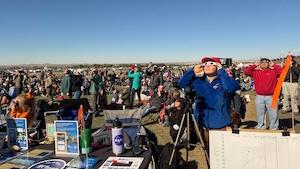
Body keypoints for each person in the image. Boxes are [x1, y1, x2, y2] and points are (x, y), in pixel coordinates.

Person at [179, 56, 240, 129]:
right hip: (201, 122)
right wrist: (193, 71)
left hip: (221, 123)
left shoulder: (224, 80)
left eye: (211, 63)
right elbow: (182, 84)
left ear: (218, 66)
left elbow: (230, 88)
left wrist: (221, 71)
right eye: (205, 64)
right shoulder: (198, 81)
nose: (207, 66)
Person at [244, 58, 282, 129]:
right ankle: (261, 126)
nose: (264, 63)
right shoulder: (255, 72)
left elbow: (281, 72)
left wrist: (274, 65)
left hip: (271, 97)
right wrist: (254, 65)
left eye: (266, 62)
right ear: (259, 63)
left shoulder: (273, 71)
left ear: (269, 63)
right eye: (262, 62)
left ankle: (273, 128)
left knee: (273, 114)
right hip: (259, 96)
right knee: (260, 114)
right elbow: (246, 72)